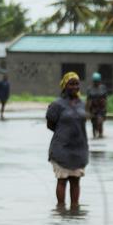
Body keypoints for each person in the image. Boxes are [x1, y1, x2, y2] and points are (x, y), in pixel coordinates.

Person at [46, 72, 89, 208]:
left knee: (76, 180)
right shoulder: (57, 105)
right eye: (71, 84)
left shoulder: (82, 104)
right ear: (64, 86)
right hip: (61, 149)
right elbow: (50, 124)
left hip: (78, 149)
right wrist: (64, 133)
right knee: (62, 180)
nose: (75, 87)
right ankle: (61, 209)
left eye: (77, 84)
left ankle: (75, 209)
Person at [85, 72, 108, 138]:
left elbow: (105, 99)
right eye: (95, 81)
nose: (96, 83)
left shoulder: (103, 88)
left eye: (97, 81)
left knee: (100, 121)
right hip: (93, 108)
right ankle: (94, 134)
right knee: (94, 122)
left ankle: (100, 134)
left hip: (101, 108)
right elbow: (88, 100)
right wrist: (87, 111)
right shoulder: (90, 89)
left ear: (100, 81)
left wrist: (105, 108)